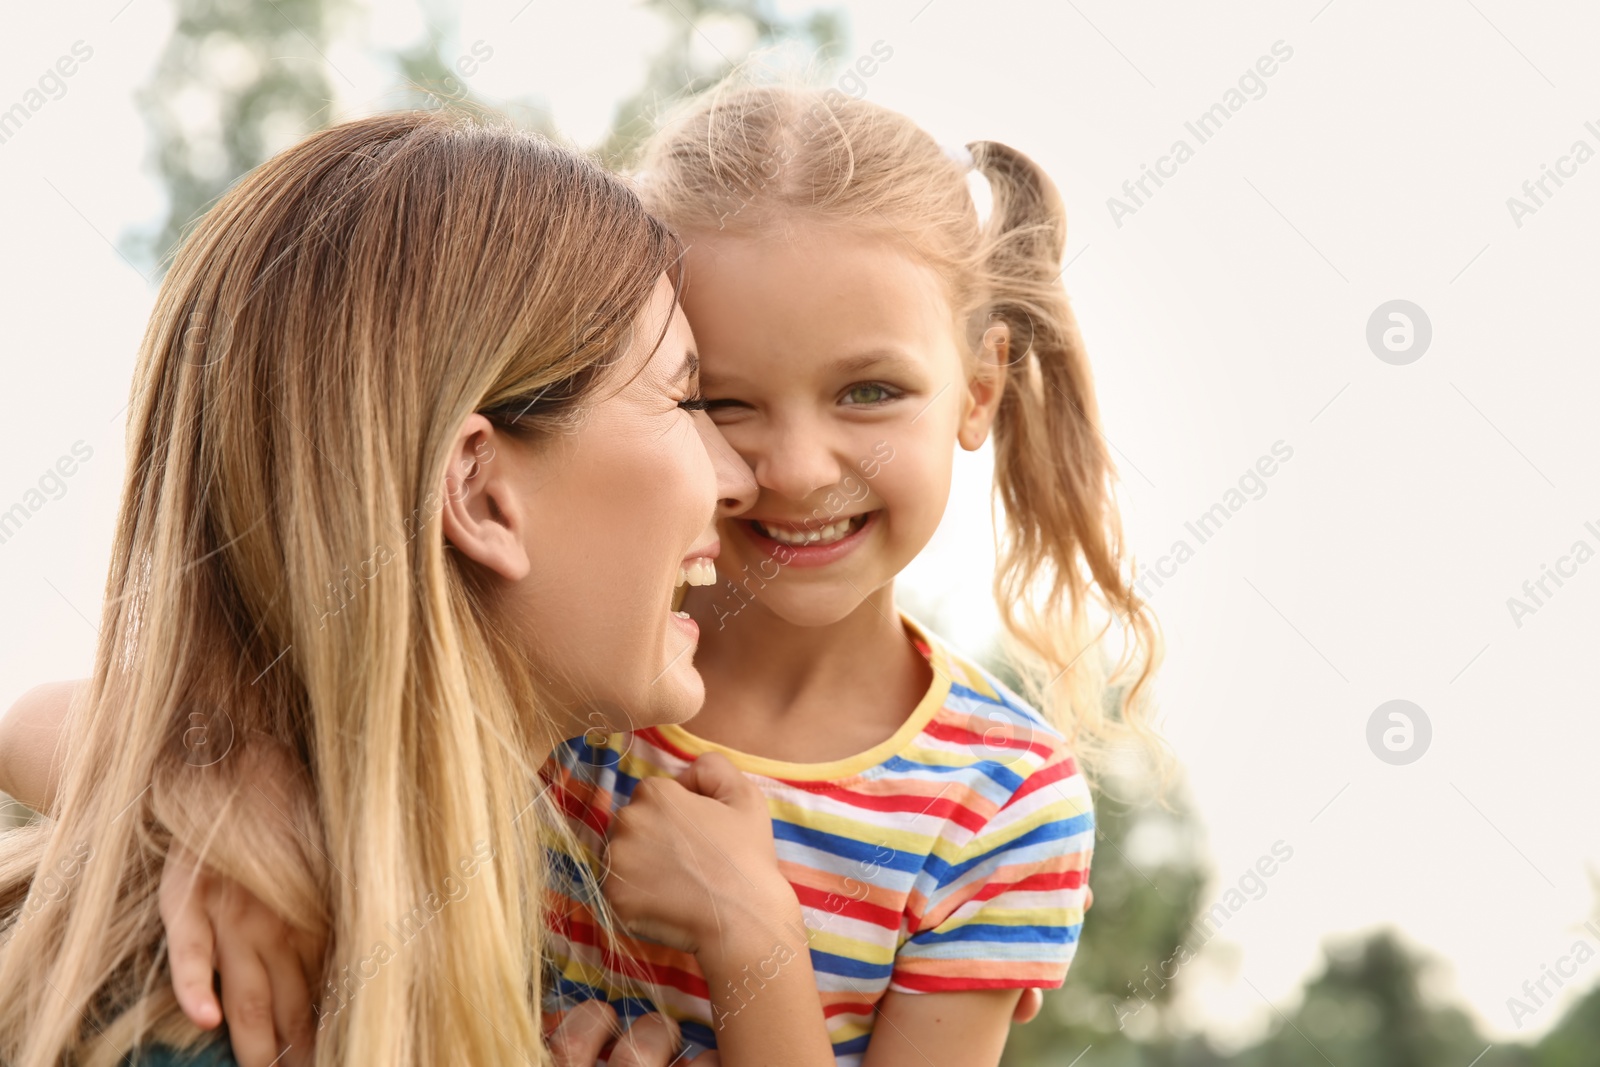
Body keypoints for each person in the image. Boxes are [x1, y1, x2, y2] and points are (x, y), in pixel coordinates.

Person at [5, 85, 1163, 1066]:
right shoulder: (569, 669)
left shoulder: (998, 797)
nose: (790, 469)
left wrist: (748, 935)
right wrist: (232, 797)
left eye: (867, 391)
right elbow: (42, 723)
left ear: (980, 386)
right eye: (708, 395)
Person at [0, 109, 758, 1067]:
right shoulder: (229, 1014)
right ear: (481, 492)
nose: (741, 476)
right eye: (686, 400)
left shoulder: (462, 882)